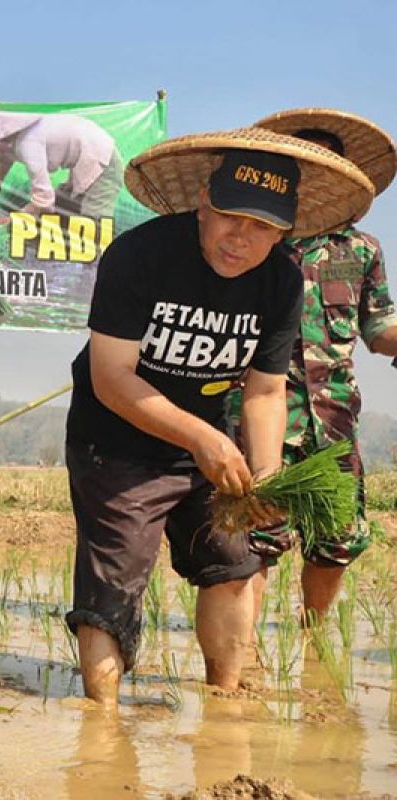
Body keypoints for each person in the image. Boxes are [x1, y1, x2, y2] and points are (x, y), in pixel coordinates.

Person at [64, 127, 373, 706]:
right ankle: (101, 726)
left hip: (205, 441)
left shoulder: (281, 280)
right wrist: (204, 437)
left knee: (234, 562)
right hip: (116, 439)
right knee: (116, 582)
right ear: (204, 203)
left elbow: (263, 392)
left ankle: (226, 709)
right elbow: (111, 378)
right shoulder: (140, 257)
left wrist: (264, 473)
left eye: (262, 228)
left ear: (284, 231)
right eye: (231, 217)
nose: (242, 239)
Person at [232, 108, 397, 623]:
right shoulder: (253, 240)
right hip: (260, 411)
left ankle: (312, 636)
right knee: (256, 536)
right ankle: (248, 653)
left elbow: (378, 330)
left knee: (336, 538)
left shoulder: (362, 251)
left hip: (334, 421)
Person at [0, 111, 123, 220]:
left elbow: (44, 200)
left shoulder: (27, 143)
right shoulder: (7, 146)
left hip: (104, 159)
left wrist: (12, 220)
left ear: (0, 135)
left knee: (94, 219)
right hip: (85, 158)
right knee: (65, 206)